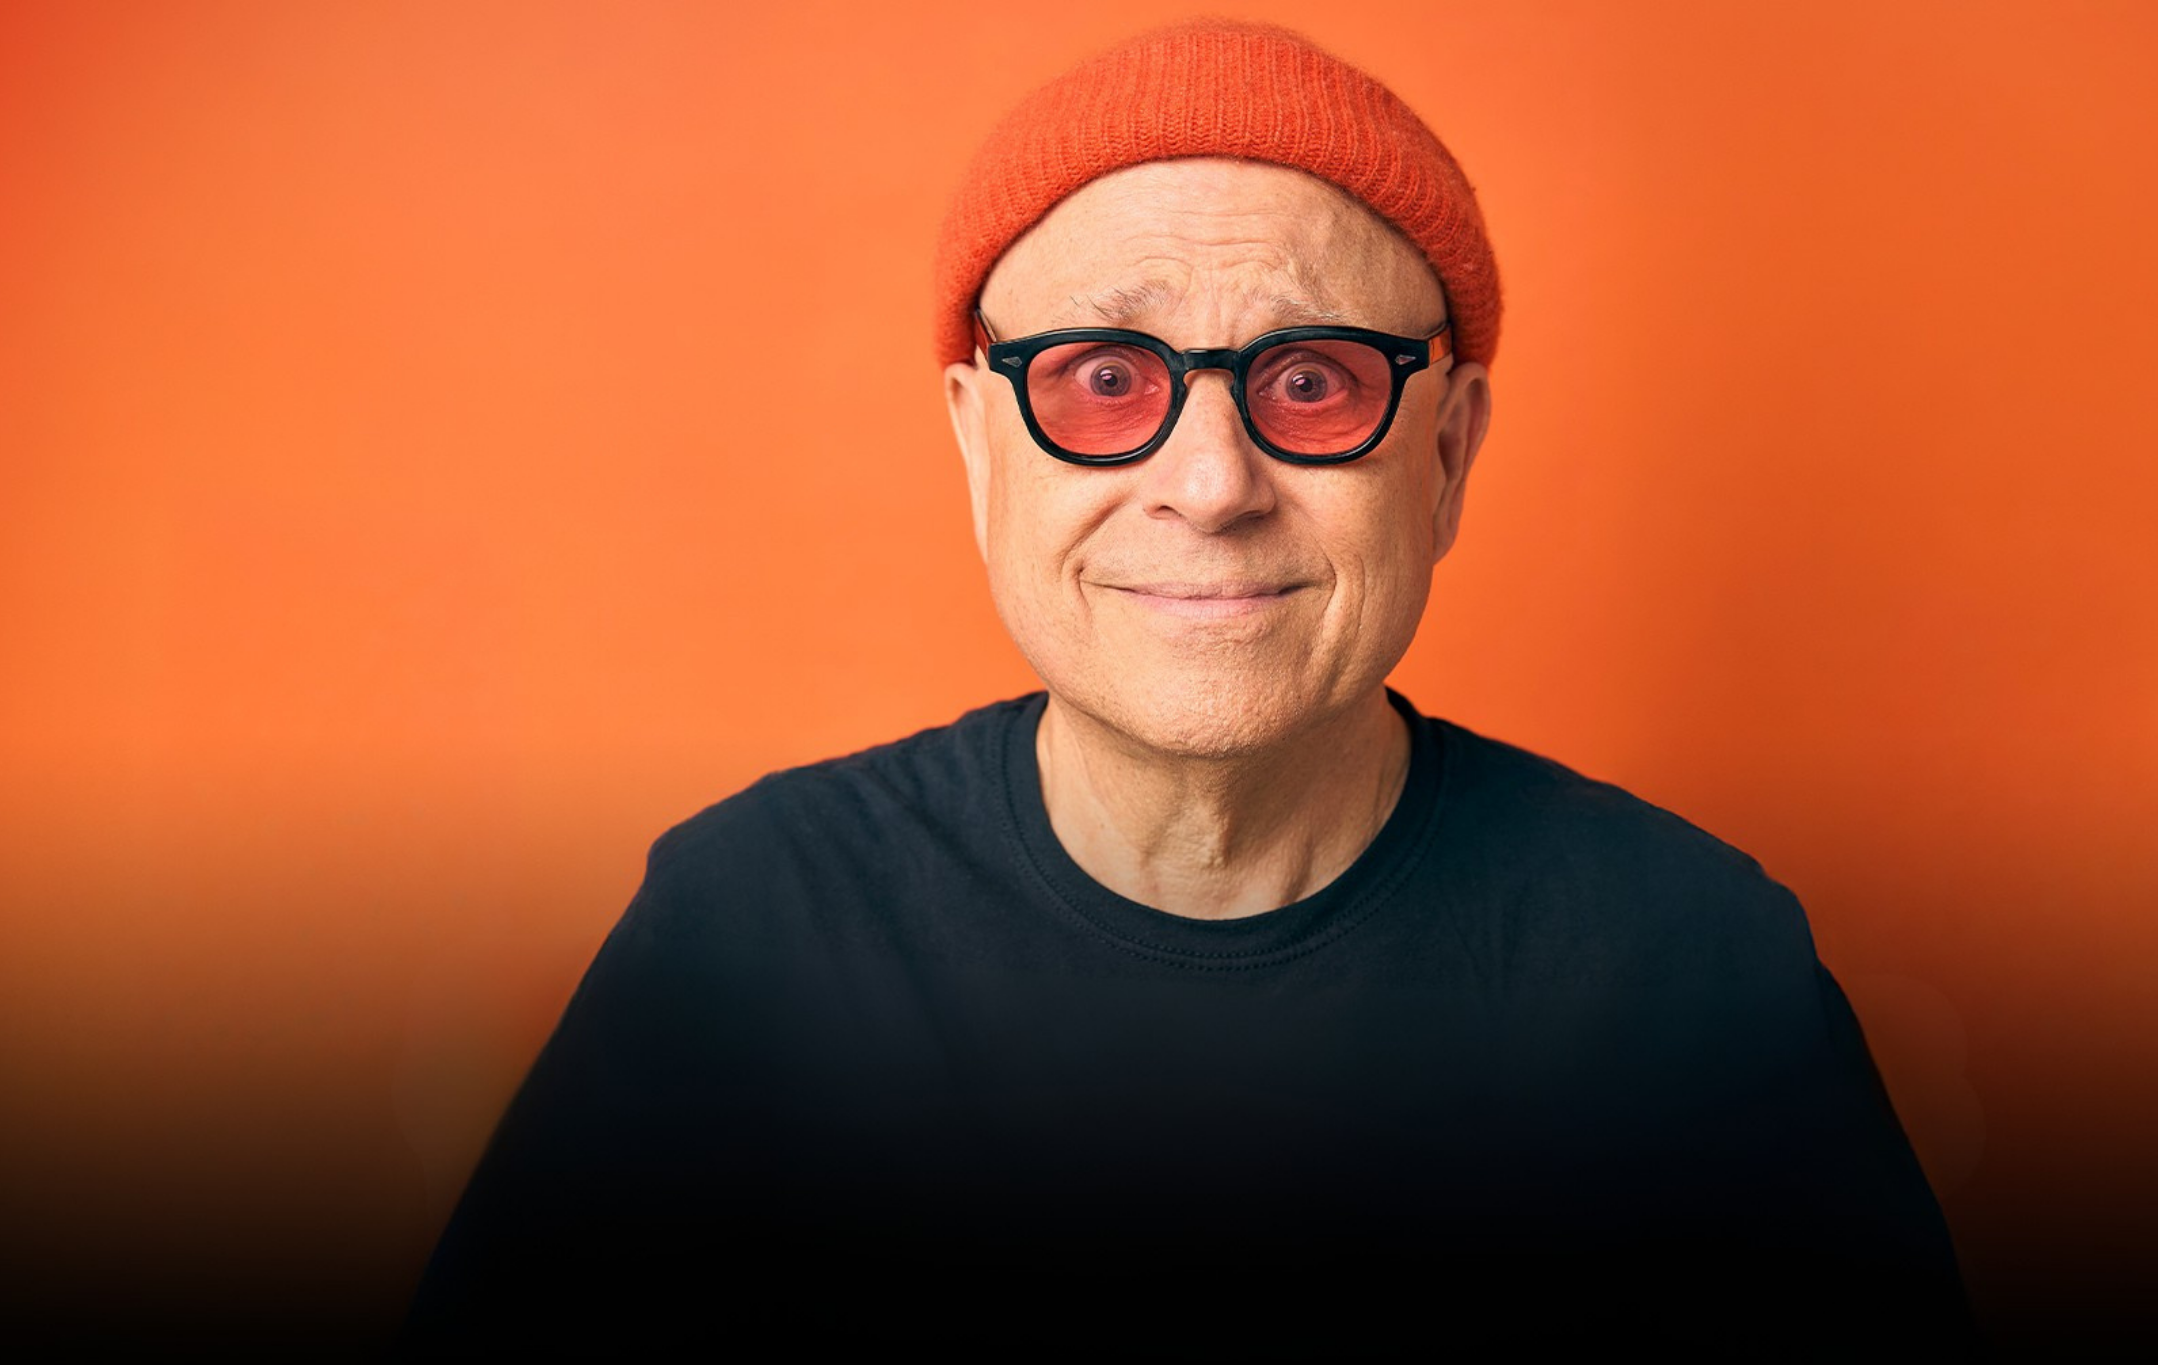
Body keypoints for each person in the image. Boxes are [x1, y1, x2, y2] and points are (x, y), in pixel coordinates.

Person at [409, 19, 1967, 1348]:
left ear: (1446, 454)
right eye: (1104, 379)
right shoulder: (749, 931)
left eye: (1313, 380)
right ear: (979, 447)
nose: (1211, 484)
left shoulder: (1698, 972)